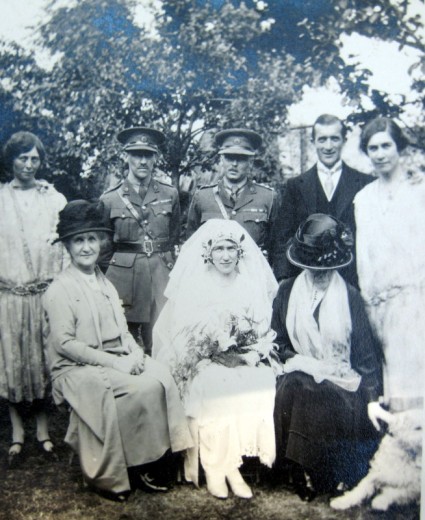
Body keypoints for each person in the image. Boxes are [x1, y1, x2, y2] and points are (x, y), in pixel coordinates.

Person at [42, 200, 193, 501]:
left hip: (114, 357)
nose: (87, 247)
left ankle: (161, 457)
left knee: (161, 376)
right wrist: (117, 364)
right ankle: (124, 469)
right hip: (75, 368)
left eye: (91, 239)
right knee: (141, 389)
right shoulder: (60, 289)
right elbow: (65, 344)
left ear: (100, 241)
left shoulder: (105, 281)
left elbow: (121, 329)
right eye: (78, 241)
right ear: (68, 247)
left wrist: (135, 353)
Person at [153, 219, 281, 499]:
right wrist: (211, 350)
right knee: (214, 384)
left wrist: (248, 352)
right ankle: (218, 469)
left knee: (260, 380)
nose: (225, 255)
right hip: (203, 359)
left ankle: (232, 465)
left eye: (231, 249)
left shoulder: (248, 285)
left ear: (240, 253)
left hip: (240, 358)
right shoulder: (197, 285)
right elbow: (184, 333)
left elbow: (261, 329)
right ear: (208, 253)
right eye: (219, 248)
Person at [272, 214, 382, 500]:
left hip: (340, 377)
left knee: (316, 390)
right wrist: (301, 361)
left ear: (335, 266)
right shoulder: (286, 292)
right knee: (298, 383)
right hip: (298, 372)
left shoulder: (350, 298)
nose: (317, 274)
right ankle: (302, 468)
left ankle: (311, 467)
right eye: (310, 268)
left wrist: (372, 398)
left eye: (324, 269)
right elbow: (277, 341)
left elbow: (365, 357)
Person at [0, 131, 67, 467]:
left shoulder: (51, 199)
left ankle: (42, 431)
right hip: (8, 295)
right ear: (10, 159)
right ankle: (16, 432)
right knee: (12, 361)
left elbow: (63, 241)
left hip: (42, 295)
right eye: (22, 157)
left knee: (42, 360)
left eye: (34, 159)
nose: (28, 165)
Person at [355, 116, 424, 422]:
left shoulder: (418, 192)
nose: (380, 153)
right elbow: (364, 260)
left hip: (417, 305)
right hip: (379, 309)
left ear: (399, 147)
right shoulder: (364, 199)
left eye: (386, 145)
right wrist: (370, 308)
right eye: (373, 148)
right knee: (391, 391)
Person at [98, 126, 180, 354]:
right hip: (123, 281)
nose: (142, 161)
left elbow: (174, 236)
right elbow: (103, 250)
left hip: (160, 278)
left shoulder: (169, 194)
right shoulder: (109, 198)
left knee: (163, 343)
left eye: (148, 155)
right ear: (126, 157)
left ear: (155, 158)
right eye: (136, 155)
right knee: (125, 345)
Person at [272, 114, 374, 286]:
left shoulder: (364, 184)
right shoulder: (295, 186)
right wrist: (284, 279)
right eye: (322, 139)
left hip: (353, 283)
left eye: (334, 139)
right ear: (313, 142)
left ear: (344, 140)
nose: (328, 146)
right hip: (307, 283)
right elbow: (282, 238)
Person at [186, 128, 278, 259]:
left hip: (253, 275)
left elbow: (277, 246)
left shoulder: (268, 198)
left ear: (250, 161)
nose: (234, 164)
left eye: (241, 159)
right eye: (229, 158)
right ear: (221, 159)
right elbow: (191, 244)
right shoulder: (203, 197)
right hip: (211, 276)